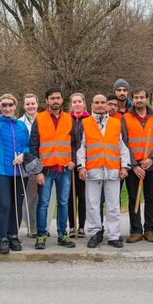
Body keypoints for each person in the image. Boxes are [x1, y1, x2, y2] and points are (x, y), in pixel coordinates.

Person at [77, 94, 130, 248]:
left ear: (107, 104)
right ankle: (95, 233)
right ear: (91, 104)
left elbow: (123, 147)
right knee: (92, 204)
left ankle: (113, 236)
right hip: (92, 170)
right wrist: (81, 166)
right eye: (97, 102)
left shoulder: (116, 123)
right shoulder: (84, 123)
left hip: (113, 170)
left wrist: (124, 166)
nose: (100, 105)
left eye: (103, 102)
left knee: (113, 205)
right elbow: (81, 148)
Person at [0, 94, 30, 254]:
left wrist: (23, 154)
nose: (8, 108)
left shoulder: (21, 125)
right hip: (1, 170)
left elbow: (27, 145)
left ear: (15, 106)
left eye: (10, 105)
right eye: (4, 105)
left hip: (18, 171)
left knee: (17, 204)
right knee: (4, 205)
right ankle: (2, 237)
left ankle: (13, 235)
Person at [30, 87, 76, 249]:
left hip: (64, 169)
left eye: (58, 98)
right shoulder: (40, 118)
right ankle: (41, 235)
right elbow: (33, 146)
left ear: (62, 100)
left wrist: (74, 161)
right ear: (47, 101)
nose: (55, 101)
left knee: (63, 203)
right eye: (52, 98)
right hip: (45, 169)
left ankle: (62, 235)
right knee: (43, 203)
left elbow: (75, 143)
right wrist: (37, 171)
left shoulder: (69, 119)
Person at [122, 87, 153, 243]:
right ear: (132, 100)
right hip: (134, 167)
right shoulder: (125, 119)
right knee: (134, 198)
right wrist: (134, 165)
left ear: (147, 99)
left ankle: (149, 230)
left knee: (151, 198)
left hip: (151, 166)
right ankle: (136, 230)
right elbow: (124, 144)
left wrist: (152, 159)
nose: (139, 100)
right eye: (136, 97)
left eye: (142, 97)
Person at [68, 92, 90, 237]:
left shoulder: (89, 120)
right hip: (69, 163)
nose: (77, 104)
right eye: (74, 102)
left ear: (83, 103)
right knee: (70, 196)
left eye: (79, 101)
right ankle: (71, 226)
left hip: (84, 164)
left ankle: (81, 226)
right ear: (71, 104)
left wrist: (84, 163)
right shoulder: (67, 119)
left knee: (82, 196)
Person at [19, 93, 39, 236]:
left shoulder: (44, 119)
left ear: (37, 104)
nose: (30, 106)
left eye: (33, 103)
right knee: (31, 197)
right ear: (23, 106)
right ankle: (32, 228)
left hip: (44, 161)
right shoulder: (20, 123)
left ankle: (42, 225)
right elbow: (21, 144)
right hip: (29, 163)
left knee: (44, 197)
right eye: (28, 104)